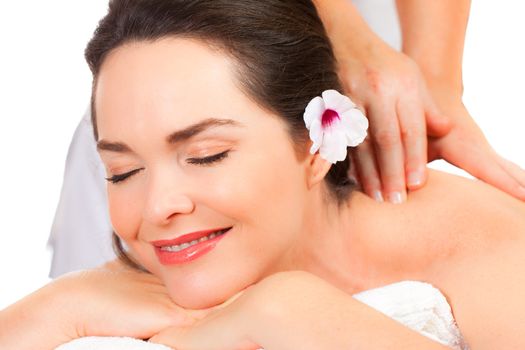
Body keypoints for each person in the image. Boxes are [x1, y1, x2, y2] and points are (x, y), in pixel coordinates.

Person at [3, 1, 525, 348]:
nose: (158, 207)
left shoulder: (482, 247)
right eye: (121, 171)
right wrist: (61, 306)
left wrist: (289, 312)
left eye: (207, 155)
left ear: (318, 143)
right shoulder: (139, 270)